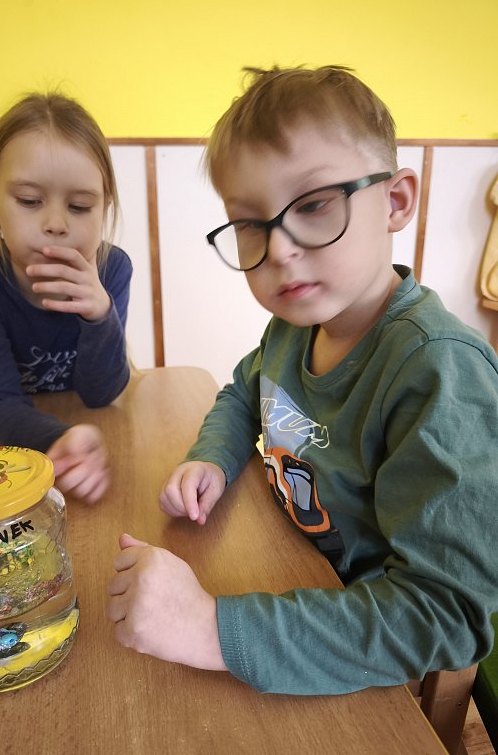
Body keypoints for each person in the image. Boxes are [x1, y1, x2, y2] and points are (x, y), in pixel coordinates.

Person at [107, 66, 498, 695]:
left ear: (395, 201)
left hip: (368, 656)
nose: (281, 250)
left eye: (314, 205)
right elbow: (244, 393)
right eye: (250, 224)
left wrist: (210, 630)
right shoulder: (295, 326)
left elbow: (443, 616)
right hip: (291, 571)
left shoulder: (440, 372)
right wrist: (212, 458)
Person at [0, 92, 132, 504]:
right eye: (30, 201)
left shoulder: (113, 268)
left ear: (104, 206)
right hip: (22, 451)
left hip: (97, 428)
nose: (56, 223)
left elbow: (101, 395)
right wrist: (59, 438)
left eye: (80, 206)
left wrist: (100, 314)